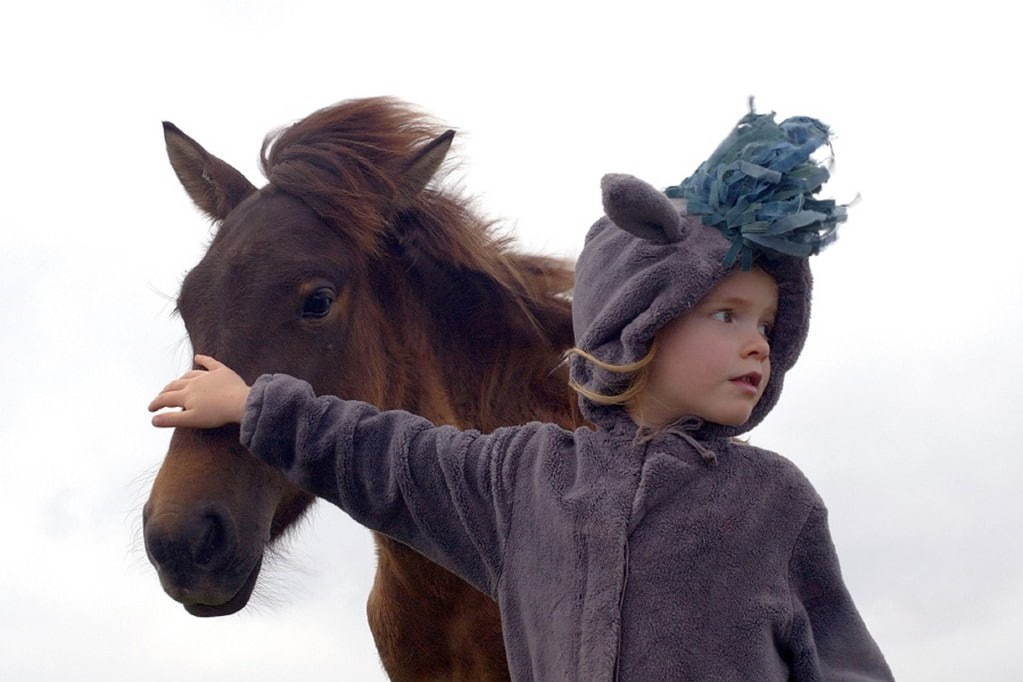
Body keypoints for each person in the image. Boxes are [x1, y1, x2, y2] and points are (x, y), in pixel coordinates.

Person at [149, 104, 894, 681]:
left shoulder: (772, 500)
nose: (758, 341)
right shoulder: (521, 480)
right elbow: (384, 458)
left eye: (766, 322)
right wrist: (253, 408)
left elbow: (840, 657)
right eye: (726, 315)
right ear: (638, 326)